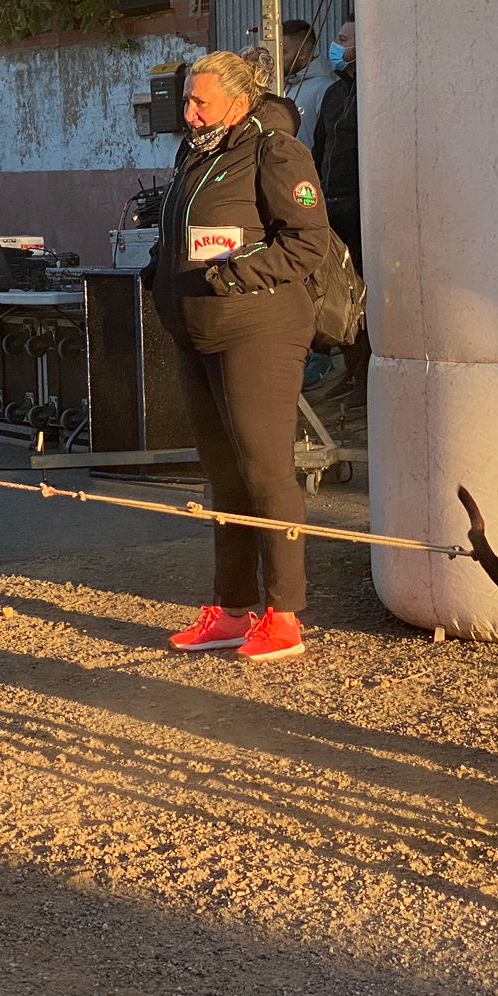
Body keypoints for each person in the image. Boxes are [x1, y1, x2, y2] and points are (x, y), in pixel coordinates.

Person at [149, 50, 333, 663]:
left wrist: (236, 276)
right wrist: (158, 275)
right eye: (186, 100)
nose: (189, 111)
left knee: (265, 471)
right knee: (223, 473)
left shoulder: (275, 150)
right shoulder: (195, 152)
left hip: (259, 328)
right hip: (195, 331)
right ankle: (231, 610)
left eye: (201, 101)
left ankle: (285, 616)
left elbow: (307, 243)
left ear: (240, 99)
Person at [311, 20, 365, 416]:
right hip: (333, 206)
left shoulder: (374, 89)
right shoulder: (333, 94)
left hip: (365, 209)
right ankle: (351, 370)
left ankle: (365, 379)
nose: (336, 45)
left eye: (343, 40)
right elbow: (319, 150)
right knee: (342, 294)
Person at [281, 18, 332, 144]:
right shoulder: (279, 84)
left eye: (283, 52)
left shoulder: (325, 89)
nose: (276, 58)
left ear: (303, 53)